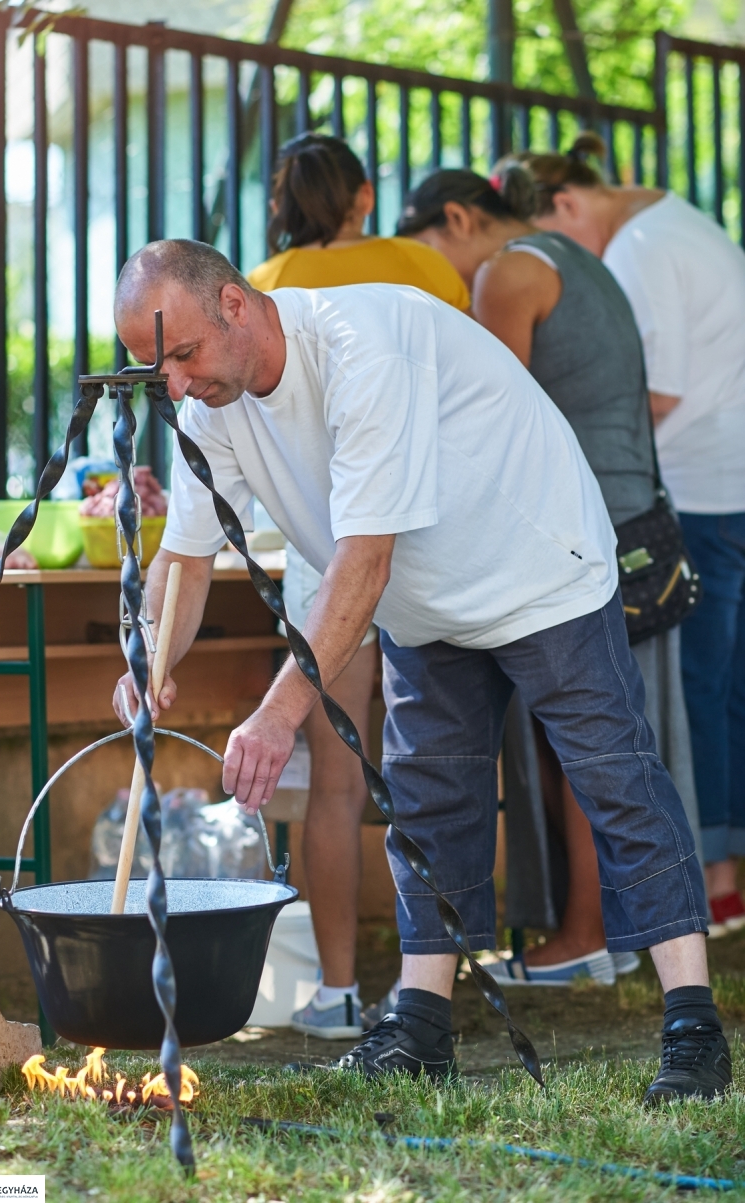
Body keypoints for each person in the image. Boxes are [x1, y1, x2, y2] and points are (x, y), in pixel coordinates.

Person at [113, 238, 728, 1102]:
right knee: (429, 802)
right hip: (423, 602)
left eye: (181, 354)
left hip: (537, 561)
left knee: (615, 779)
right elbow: (184, 559)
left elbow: (361, 562)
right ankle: (422, 1026)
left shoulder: (363, 346)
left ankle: (695, 1025)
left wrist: (279, 710)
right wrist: (146, 660)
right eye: (154, 367)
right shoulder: (211, 410)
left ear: (236, 307)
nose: (172, 383)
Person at [395, 166, 703, 985]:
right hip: (636, 513)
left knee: (585, 746)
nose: (443, 273)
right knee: (623, 744)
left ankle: (584, 931)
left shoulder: (507, 272)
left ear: (459, 217)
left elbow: (486, 419)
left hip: (575, 526)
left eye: (432, 248)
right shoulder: (575, 256)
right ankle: (634, 937)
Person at [247, 133, 470, 1040]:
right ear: (364, 197)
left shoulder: (260, 284)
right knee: (450, 766)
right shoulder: (421, 262)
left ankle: (337, 988)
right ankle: (442, 981)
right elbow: (477, 378)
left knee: (335, 783)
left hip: (324, 537)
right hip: (429, 527)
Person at [514, 133, 745, 939]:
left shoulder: (643, 247)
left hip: (702, 490)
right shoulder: (680, 220)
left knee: (698, 695)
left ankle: (710, 888)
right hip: (727, 483)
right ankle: (722, 880)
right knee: (723, 690)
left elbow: (659, 393)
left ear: (568, 205)